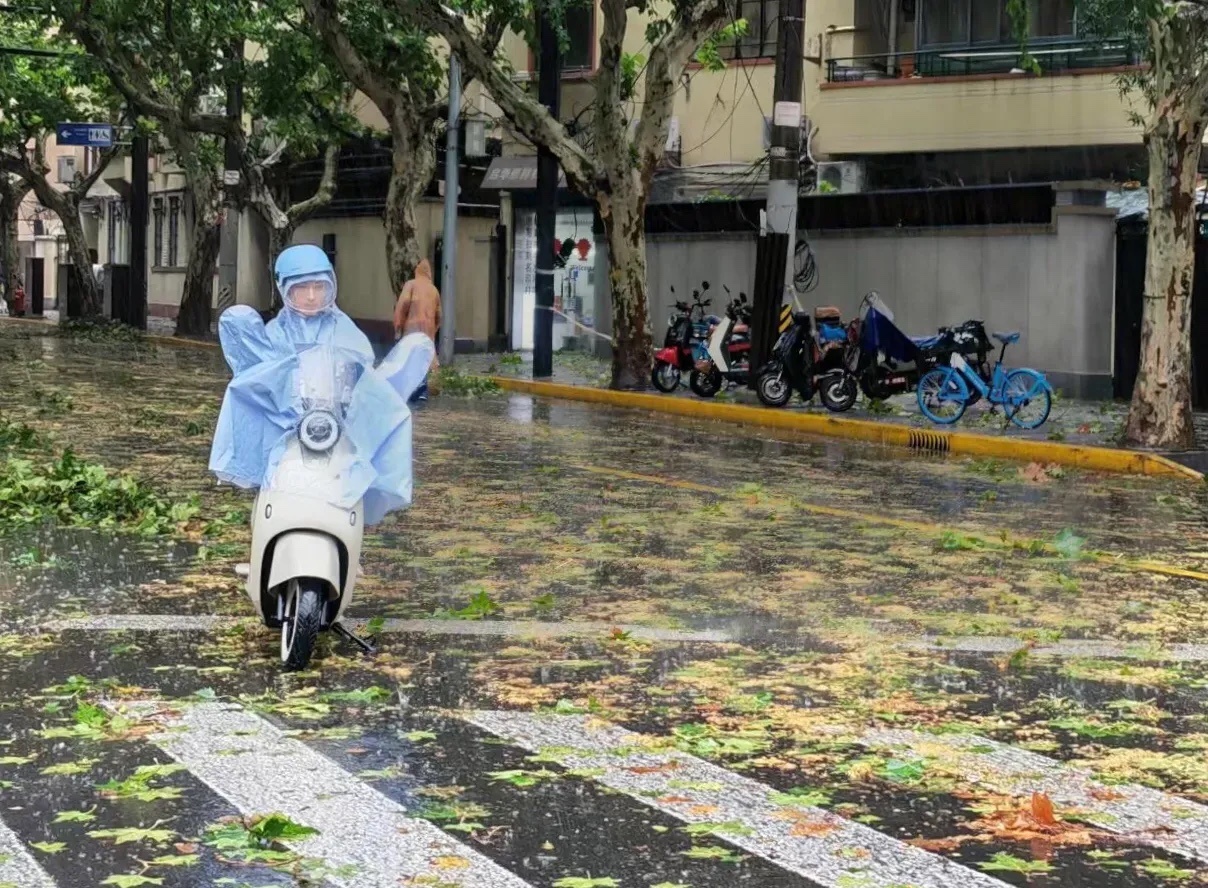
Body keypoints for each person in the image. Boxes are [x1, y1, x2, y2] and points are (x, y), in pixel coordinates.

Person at [392, 259, 441, 402]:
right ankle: (422, 391)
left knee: (409, 358)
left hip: (412, 330)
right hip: (428, 332)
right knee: (424, 359)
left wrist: (398, 325)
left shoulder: (410, 285)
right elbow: (439, 316)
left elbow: (402, 305)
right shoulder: (434, 290)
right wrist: (433, 330)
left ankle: (410, 389)